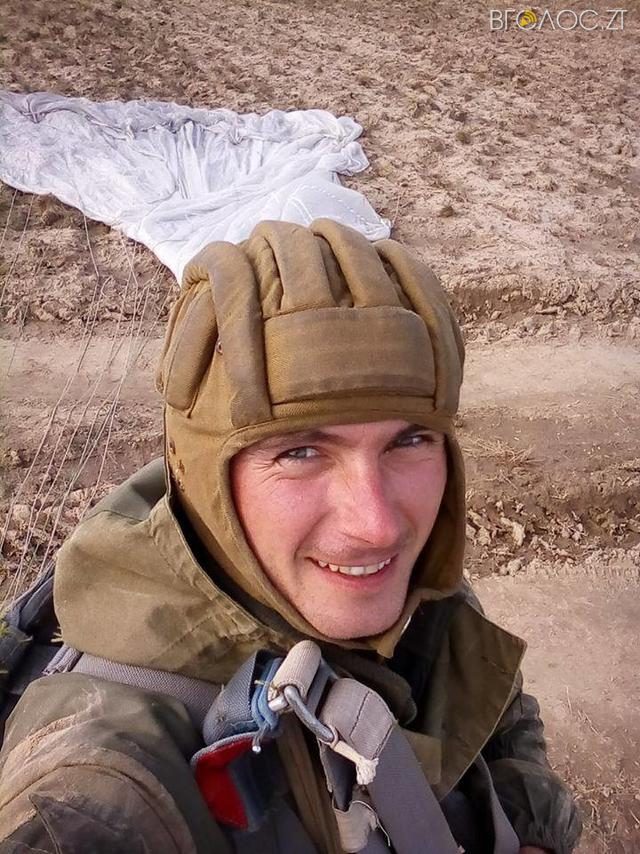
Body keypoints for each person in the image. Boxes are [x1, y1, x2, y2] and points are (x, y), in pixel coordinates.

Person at [0, 219, 581, 853]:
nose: (377, 525)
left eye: (410, 440)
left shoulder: (395, 575)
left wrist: (529, 826)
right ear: (205, 477)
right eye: (301, 452)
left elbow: (487, 693)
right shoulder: (98, 797)